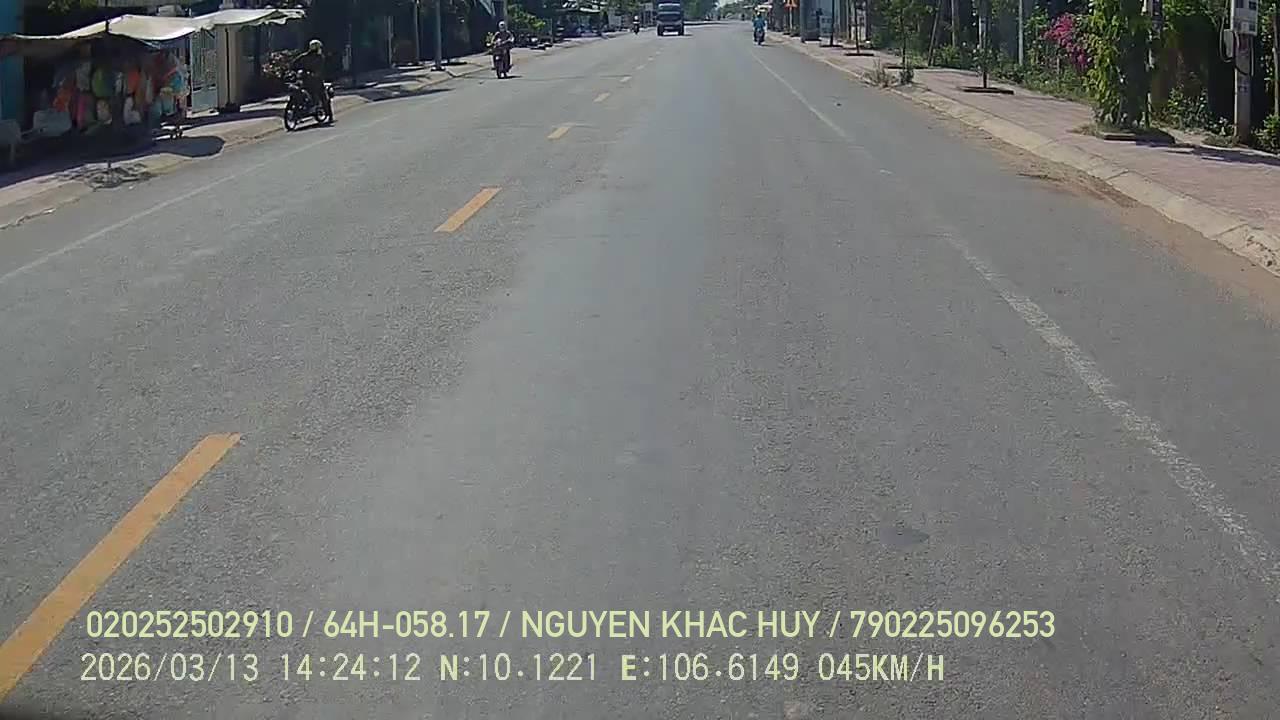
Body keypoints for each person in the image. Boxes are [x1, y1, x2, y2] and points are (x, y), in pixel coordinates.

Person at [291, 39, 333, 122]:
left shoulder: (319, 57)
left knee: (323, 95)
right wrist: (294, 71)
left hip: (316, 80)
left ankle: (329, 114)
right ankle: (299, 109)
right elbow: (294, 63)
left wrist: (315, 73)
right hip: (305, 79)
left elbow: (320, 68)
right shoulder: (306, 56)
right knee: (297, 90)